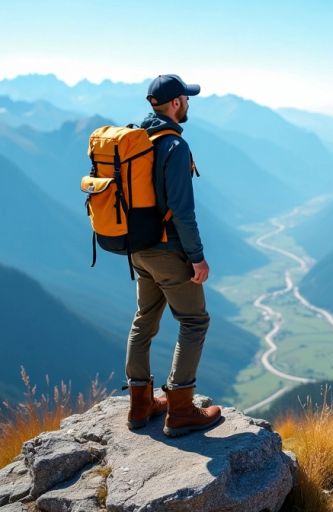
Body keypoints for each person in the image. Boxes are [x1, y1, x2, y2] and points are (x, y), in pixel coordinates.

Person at [124, 74, 222, 437]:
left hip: (136, 250)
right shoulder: (174, 147)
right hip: (168, 251)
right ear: (177, 102)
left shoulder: (135, 141)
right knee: (194, 321)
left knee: (144, 319)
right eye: (187, 98)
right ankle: (180, 410)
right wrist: (197, 257)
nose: (189, 104)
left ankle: (140, 404)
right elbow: (182, 210)